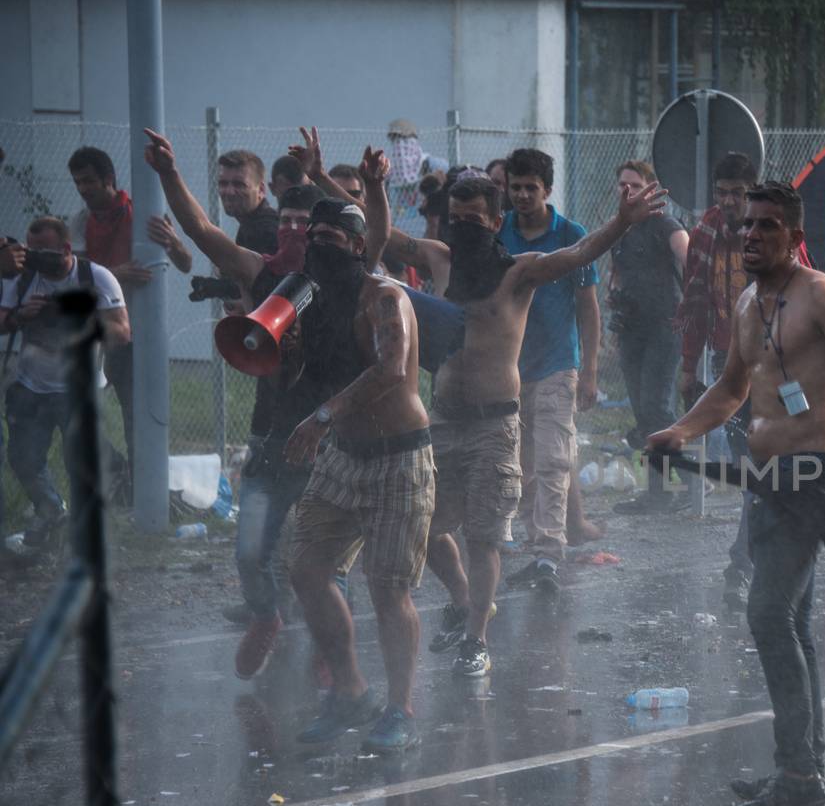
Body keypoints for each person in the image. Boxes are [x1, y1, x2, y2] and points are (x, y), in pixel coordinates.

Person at [646, 181, 825, 806]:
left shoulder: (822, 296)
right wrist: (681, 430)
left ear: (795, 237)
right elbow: (732, 390)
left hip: (813, 477)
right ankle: (804, 767)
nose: (752, 236)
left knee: (767, 615)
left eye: (768, 227)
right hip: (762, 481)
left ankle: (796, 773)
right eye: (748, 226)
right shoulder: (745, 303)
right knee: (791, 622)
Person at [381, 172, 666, 675]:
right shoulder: (438, 260)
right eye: (457, 218)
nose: (464, 227)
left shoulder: (519, 272)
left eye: (475, 219)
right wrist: (355, 184)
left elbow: (577, 255)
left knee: (484, 537)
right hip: (445, 419)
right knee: (422, 524)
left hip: (495, 425)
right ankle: (468, 600)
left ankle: (476, 640)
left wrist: (622, 221)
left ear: (496, 221)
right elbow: (378, 235)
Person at [144, 128, 374, 677]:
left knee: (324, 566)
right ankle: (266, 616)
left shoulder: (359, 285)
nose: (301, 233)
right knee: (251, 554)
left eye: (312, 227)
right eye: (292, 224)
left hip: (330, 442)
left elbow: (371, 226)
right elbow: (201, 231)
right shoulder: (263, 274)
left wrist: (325, 178)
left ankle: (329, 649)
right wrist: (168, 174)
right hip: (272, 438)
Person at [273, 194, 435, 753]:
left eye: (331, 238)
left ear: (359, 247)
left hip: (399, 456)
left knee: (388, 591)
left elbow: (389, 370)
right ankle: (350, 691)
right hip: (345, 453)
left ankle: (400, 708)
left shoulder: (385, 297)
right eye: (310, 236)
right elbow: (305, 375)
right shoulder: (314, 300)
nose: (317, 245)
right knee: (307, 569)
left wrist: (320, 418)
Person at [493, 148, 602, 594]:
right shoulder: (499, 234)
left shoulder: (571, 235)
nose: (521, 195)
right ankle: (518, 535)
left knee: (554, 458)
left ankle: (547, 554)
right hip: (510, 367)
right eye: (515, 187)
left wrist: (590, 370)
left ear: (547, 190)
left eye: (530, 188)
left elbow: (588, 307)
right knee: (519, 463)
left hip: (559, 364)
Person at [0, 217, 130, 552]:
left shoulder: (94, 277)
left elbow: (122, 332)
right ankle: (50, 509)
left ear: (66, 249)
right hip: (30, 385)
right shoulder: (24, 276)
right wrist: (21, 315)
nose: (36, 258)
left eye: (45, 252)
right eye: (31, 251)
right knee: (23, 458)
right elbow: (2, 322)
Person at [66, 146, 191, 489]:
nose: (83, 188)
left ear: (109, 179)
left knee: (136, 414)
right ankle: (121, 474)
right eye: (77, 182)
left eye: (89, 181)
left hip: (136, 333)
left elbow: (185, 262)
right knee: (72, 412)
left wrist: (175, 242)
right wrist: (115, 273)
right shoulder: (81, 222)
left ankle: (142, 487)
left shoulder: (140, 214)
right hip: (96, 330)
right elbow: (74, 279)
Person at [676, 151, 764, 600]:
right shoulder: (706, 232)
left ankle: (747, 561)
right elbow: (694, 303)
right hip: (729, 368)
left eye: (738, 193)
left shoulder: (774, 228)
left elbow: (806, 289)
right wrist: (689, 368)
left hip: (774, 365)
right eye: (722, 193)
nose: (729, 201)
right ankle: (747, 560)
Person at [606, 160, 690, 514]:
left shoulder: (664, 223)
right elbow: (616, 273)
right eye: (623, 184)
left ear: (650, 190)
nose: (628, 191)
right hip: (631, 330)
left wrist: (694, 305)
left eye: (635, 185)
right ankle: (657, 492)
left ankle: (680, 486)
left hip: (664, 328)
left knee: (658, 407)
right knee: (643, 412)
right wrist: (615, 299)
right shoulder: (621, 228)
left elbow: (689, 255)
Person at [216, 149, 279, 255]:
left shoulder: (265, 232)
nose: (229, 192)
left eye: (239, 184)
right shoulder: (249, 224)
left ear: (261, 190)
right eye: (223, 184)